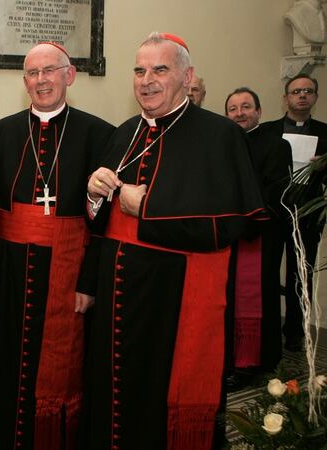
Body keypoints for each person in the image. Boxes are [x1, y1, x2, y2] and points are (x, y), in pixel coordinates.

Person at [82, 33, 263, 449]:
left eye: (159, 70)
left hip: (174, 299)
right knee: (115, 394)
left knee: (157, 403)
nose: (147, 80)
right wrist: (93, 195)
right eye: (140, 70)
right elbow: (100, 223)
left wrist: (143, 210)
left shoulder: (219, 136)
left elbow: (232, 226)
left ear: (187, 76)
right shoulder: (125, 131)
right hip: (118, 297)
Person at [0, 41, 114, 449]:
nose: (41, 80)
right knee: (7, 365)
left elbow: (105, 224)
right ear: (24, 81)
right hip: (9, 270)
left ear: (70, 75)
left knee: (67, 369)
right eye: (32, 73)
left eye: (50, 70)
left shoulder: (99, 134)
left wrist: (89, 282)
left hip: (69, 273)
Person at [225, 88, 292, 384]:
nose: (240, 113)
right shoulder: (223, 144)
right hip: (226, 233)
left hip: (258, 232)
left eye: (246, 107)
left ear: (259, 112)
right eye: (233, 108)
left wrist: (244, 220)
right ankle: (230, 357)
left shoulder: (275, 145)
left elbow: (275, 192)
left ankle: (252, 360)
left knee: (255, 295)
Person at [259, 73, 327, 352]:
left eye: (308, 91)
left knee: (302, 273)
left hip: (307, 214)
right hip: (274, 214)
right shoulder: (267, 131)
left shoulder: (325, 133)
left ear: (315, 97)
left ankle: (296, 331)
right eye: (296, 91)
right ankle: (270, 329)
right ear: (286, 97)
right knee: (268, 272)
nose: (302, 96)